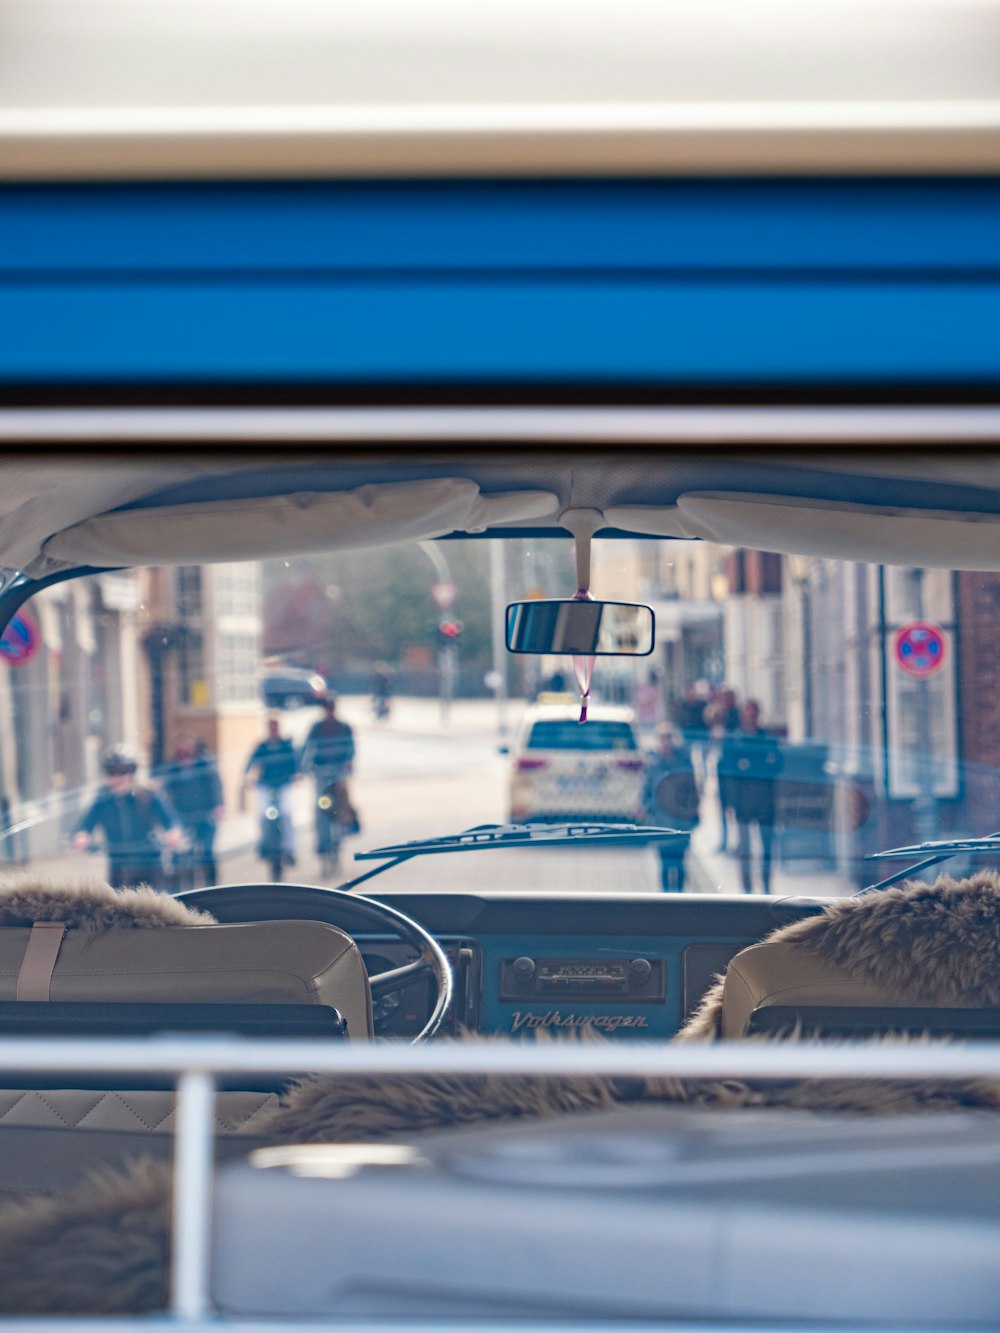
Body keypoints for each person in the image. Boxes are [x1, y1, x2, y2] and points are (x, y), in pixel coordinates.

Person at [72, 745, 183, 891]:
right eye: (112, 772)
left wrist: (173, 833)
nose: (118, 778)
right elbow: (86, 822)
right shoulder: (103, 798)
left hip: (149, 861)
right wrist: (82, 835)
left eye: (123, 772)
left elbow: (170, 820)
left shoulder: (147, 794)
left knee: (155, 906)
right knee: (120, 907)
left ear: (131, 773)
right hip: (118, 864)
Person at [718, 699, 783, 894]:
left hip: (764, 802)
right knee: (744, 849)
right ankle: (746, 889)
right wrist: (727, 802)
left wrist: (749, 766)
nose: (750, 718)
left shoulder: (767, 739)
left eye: (753, 714)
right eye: (747, 714)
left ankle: (766, 885)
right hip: (743, 803)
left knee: (766, 847)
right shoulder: (734, 740)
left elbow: (777, 765)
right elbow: (726, 771)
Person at [157, 735, 225, 885]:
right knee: (177, 853)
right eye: (181, 753)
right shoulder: (172, 768)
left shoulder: (205, 766)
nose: (185, 757)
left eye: (187, 753)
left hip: (205, 816)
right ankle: (176, 888)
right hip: (183, 817)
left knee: (207, 852)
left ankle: (212, 885)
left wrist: (218, 806)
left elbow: (215, 786)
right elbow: (164, 792)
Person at [300, 696, 357, 871]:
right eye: (327, 708)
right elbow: (306, 747)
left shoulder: (344, 727)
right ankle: (322, 843)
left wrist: (348, 762)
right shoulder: (317, 728)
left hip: (338, 772)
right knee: (320, 807)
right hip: (320, 772)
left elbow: (351, 748)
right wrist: (304, 766)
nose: (329, 711)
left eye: (332, 708)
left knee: (341, 805)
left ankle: (341, 834)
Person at [644, 724, 701, 891]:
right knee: (664, 863)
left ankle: (680, 897)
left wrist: (694, 814)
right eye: (662, 739)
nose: (665, 743)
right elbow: (647, 791)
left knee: (680, 862)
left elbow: (692, 791)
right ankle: (665, 898)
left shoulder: (683, 764)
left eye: (668, 738)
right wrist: (645, 808)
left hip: (679, 821)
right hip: (661, 821)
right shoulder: (654, 765)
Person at [243, 717, 300, 866]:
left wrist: (297, 774)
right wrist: (247, 776)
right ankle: (264, 845)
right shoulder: (262, 746)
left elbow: (296, 762)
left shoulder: (286, 745)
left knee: (287, 815)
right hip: (265, 785)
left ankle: (290, 849)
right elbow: (251, 761)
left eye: (275, 726)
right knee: (262, 815)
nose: (273, 729)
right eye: (270, 727)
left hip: (284, 785)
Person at [704, 686, 741, 852]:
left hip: (734, 767)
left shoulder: (735, 717)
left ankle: (737, 841)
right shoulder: (721, 714)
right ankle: (725, 839)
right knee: (723, 804)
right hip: (723, 765)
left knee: (734, 806)